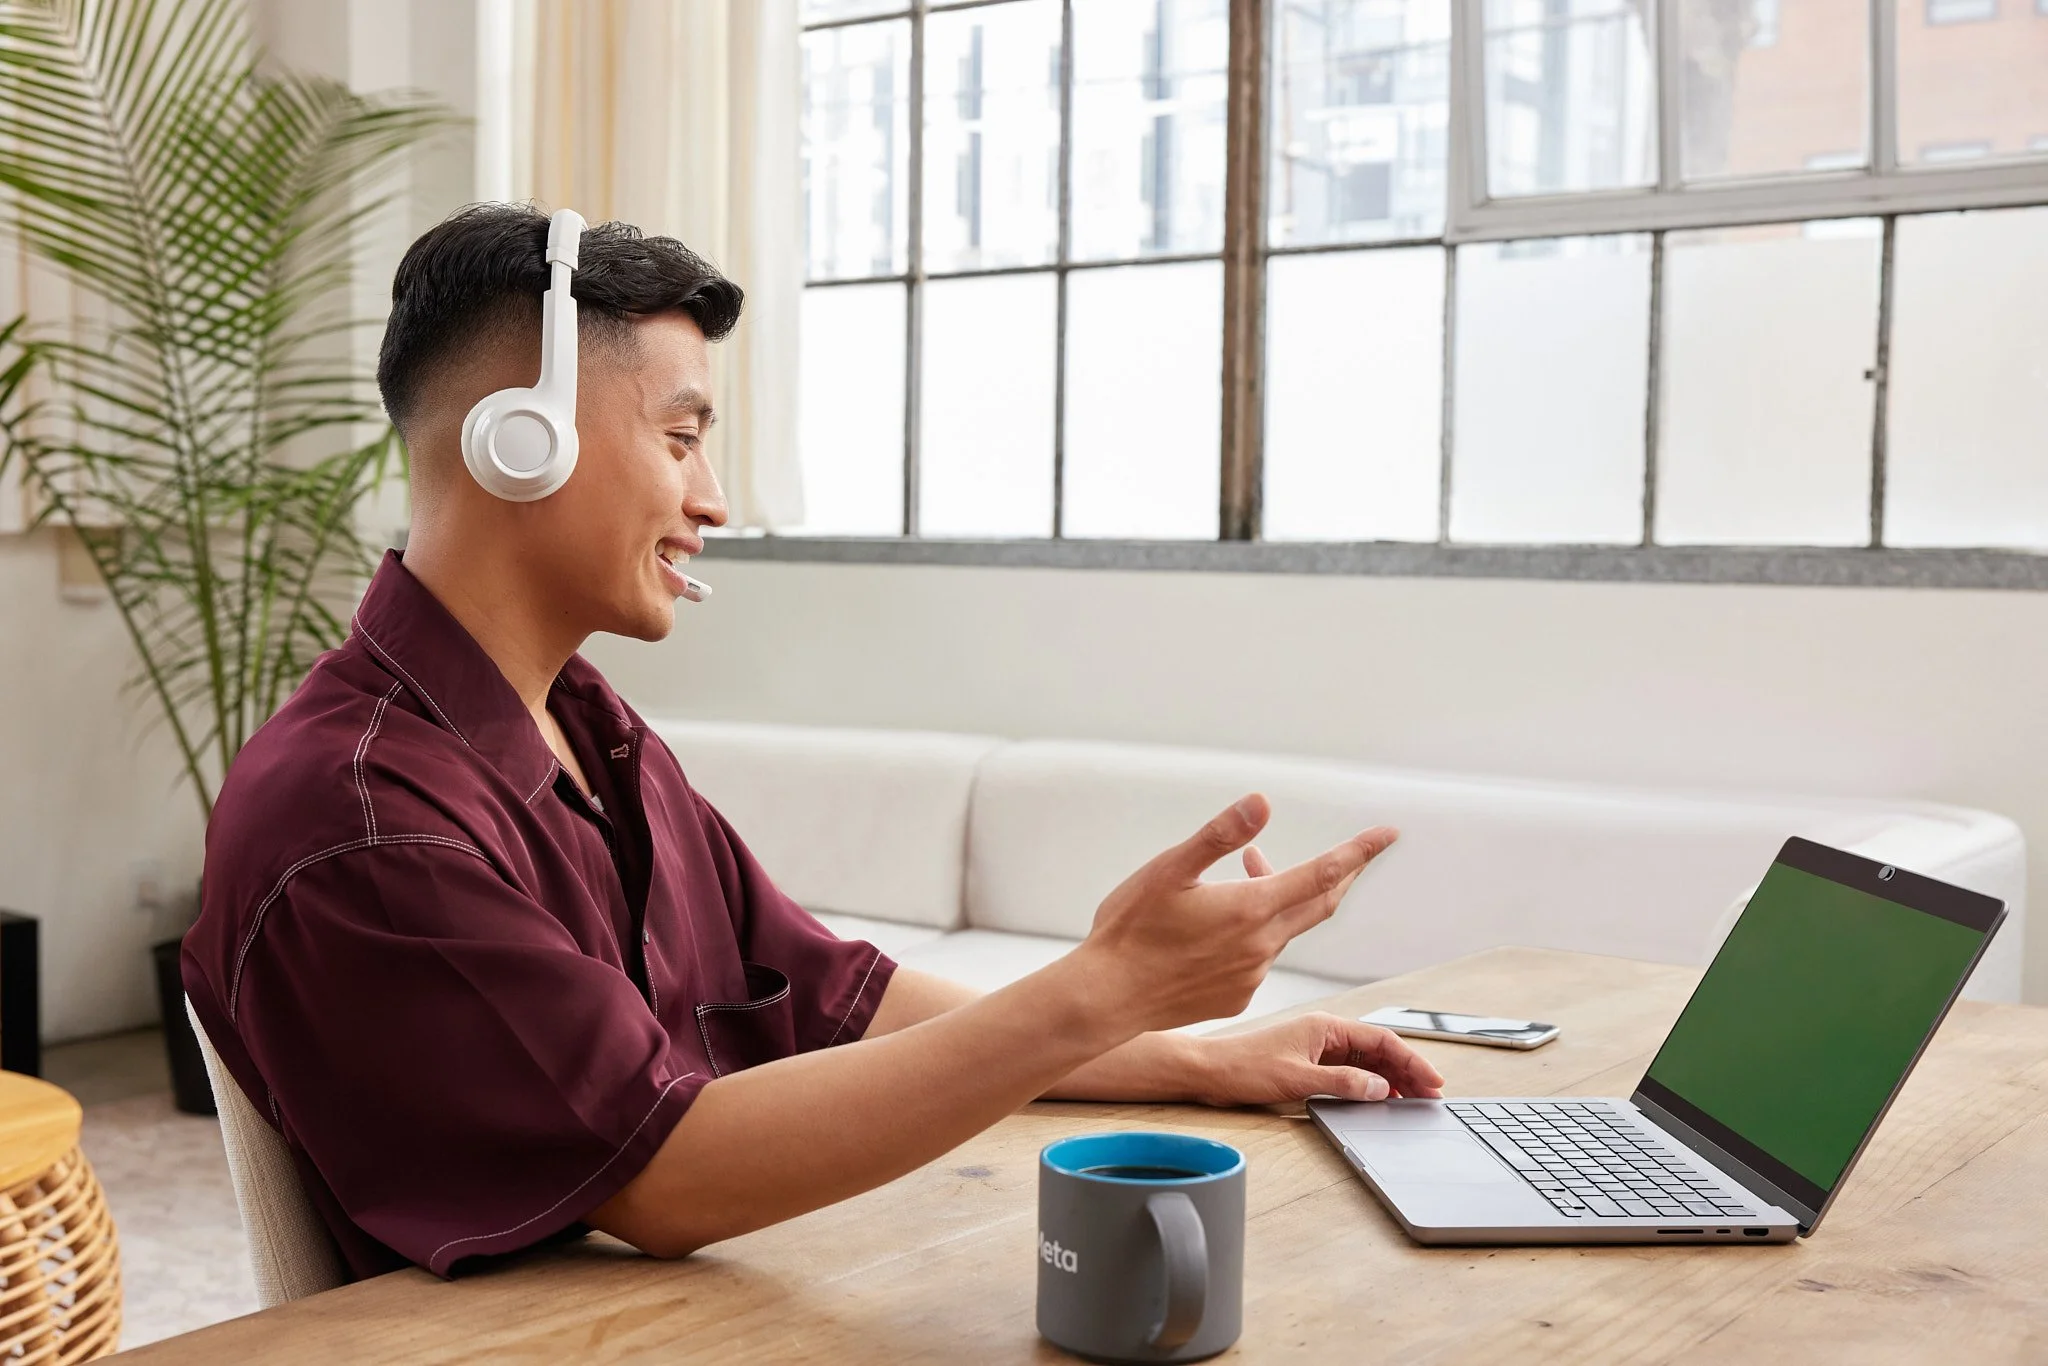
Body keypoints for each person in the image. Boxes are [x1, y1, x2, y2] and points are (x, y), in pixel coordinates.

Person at [182, 203, 1442, 1281]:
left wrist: (1190, 1059)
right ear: (524, 444)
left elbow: (841, 996)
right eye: (681, 438)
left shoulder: (583, 724)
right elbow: (663, 1176)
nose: (714, 497)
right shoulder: (362, 820)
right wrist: (1102, 984)